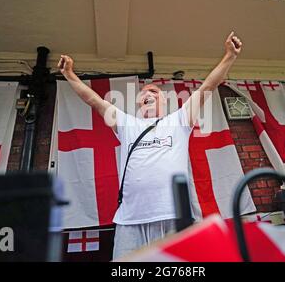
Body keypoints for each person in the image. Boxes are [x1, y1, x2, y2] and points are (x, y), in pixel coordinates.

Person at [59, 31, 243, 259]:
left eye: (154, 92)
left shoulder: (179, 119)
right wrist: (69, 74)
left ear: (165, 100)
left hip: (175, 217)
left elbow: (207, 87)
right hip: (130, 220)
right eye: (143, 93)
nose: (147, 94)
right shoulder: (127, 123)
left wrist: (229, 56)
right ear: (137, 103)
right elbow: (93, 100)